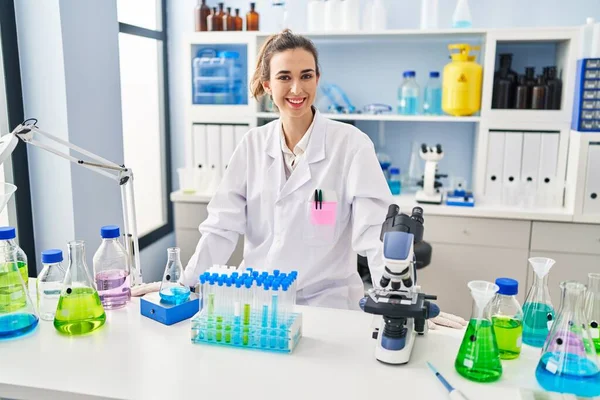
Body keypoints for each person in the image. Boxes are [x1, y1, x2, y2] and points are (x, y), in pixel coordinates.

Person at [182, 30, 466, 328]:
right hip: (260, 302)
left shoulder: (351, 145)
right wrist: (185, 283)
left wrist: (400, 301)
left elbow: (375, 233)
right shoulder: (252, 146)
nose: (296, 88)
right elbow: (221, 227)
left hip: (327, 306)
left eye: (306, 76)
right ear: (267, 85)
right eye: (284, 77)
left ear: (317, 78)